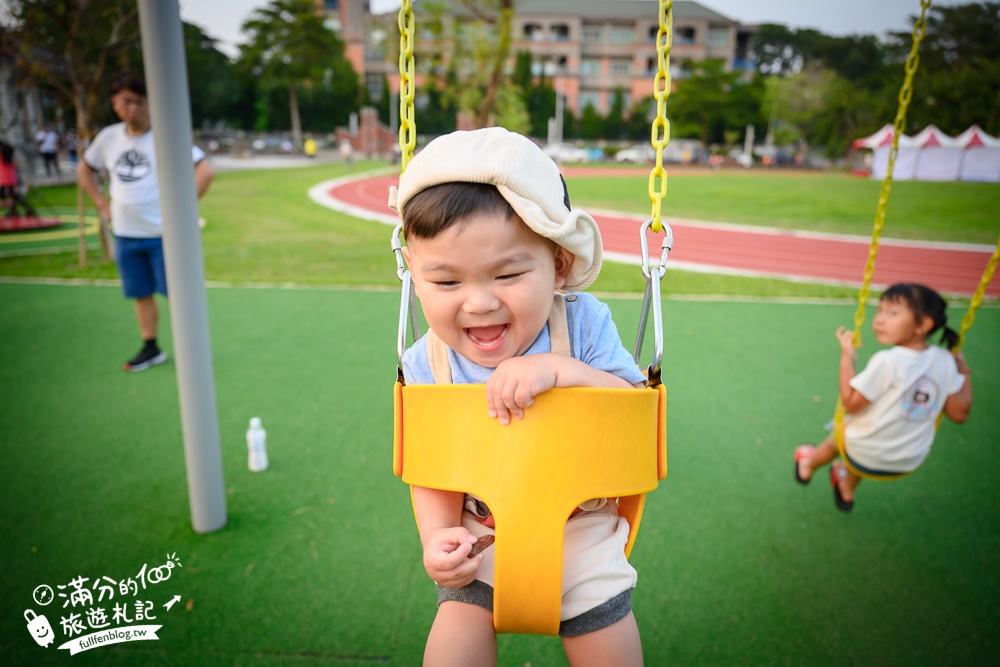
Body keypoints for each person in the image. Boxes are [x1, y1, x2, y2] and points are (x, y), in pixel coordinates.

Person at [389, 127, 647, 667]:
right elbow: (430, 466)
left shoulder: (582, 325)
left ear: (556, 265)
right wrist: (438, 538)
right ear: (413, 275)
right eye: (446, 282)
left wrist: (562, 369)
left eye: (508, 274)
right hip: (479, 537)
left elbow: (631, 407)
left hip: (581, 530)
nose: (479, 303)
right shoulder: (425, 361)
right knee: (453, 639)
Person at [793, 283, 973, 511]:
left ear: (922, 325)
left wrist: (847, 357)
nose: (879, 319)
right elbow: (959, 414)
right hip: (908, 460)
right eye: (879, 311)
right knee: (873, 432)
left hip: (862, 454)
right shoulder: (946, 361)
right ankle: (846, 489)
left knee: (840, 437)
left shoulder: (888, 361)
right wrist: (963, 369)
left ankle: (807, 466)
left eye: (892, 313)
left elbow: (851, 404)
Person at [77, 75, 215, 372]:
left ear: (150, 105)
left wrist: (183, 209)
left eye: (140, 102)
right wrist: (102, 204)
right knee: (140, 293)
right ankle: (151, 347)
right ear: (115, 104)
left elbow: (205, 171)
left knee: (176, 294)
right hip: (126, 232)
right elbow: (85, 170)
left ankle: (191, 349)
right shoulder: (109, 138)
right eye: (127, 101)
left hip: (163, 234)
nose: (133, 108)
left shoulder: (165, 136)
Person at [1, 139, 37, 218]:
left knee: (11, 195)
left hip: (5, 179)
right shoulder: (7, 153)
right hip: (11, 178)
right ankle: (19, 211)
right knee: (14, 195)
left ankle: (19, 211)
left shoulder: (2, 154)